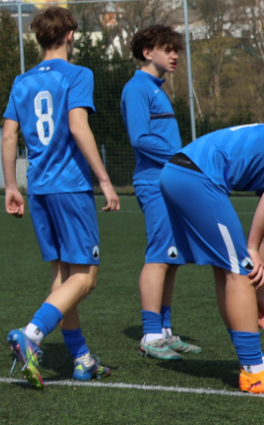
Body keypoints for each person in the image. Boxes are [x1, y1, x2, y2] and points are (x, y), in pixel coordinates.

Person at [1, 5, 121, 388]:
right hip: (69, 186)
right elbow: (78, 126)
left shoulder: (22, 82)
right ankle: (31, 335)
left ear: (39, 38)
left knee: (63, 279)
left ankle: (82, 359)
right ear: (70, 36)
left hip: (38, 188)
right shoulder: (78, 74)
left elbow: (8, 135)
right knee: (85, 278)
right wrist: (105, 179)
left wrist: (11, 186)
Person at [158, 123, 264, 393]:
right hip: (195, 176)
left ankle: (252, 364)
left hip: (181, 171)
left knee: (227, 269)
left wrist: (260, 293)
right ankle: (254, 372)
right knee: (240, 270)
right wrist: (253, 249)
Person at [122, 24, 202, 360]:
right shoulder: (137, 88)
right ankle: (151, 335)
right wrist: (183, 158)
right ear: (147, 52)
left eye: (176, 50)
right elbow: (140, 138)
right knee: (159, 255)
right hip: (153, 183)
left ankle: (165, 332)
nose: (174, 56)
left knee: (172, 257)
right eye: (167, 49)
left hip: (170, 181)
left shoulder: (157, 88)